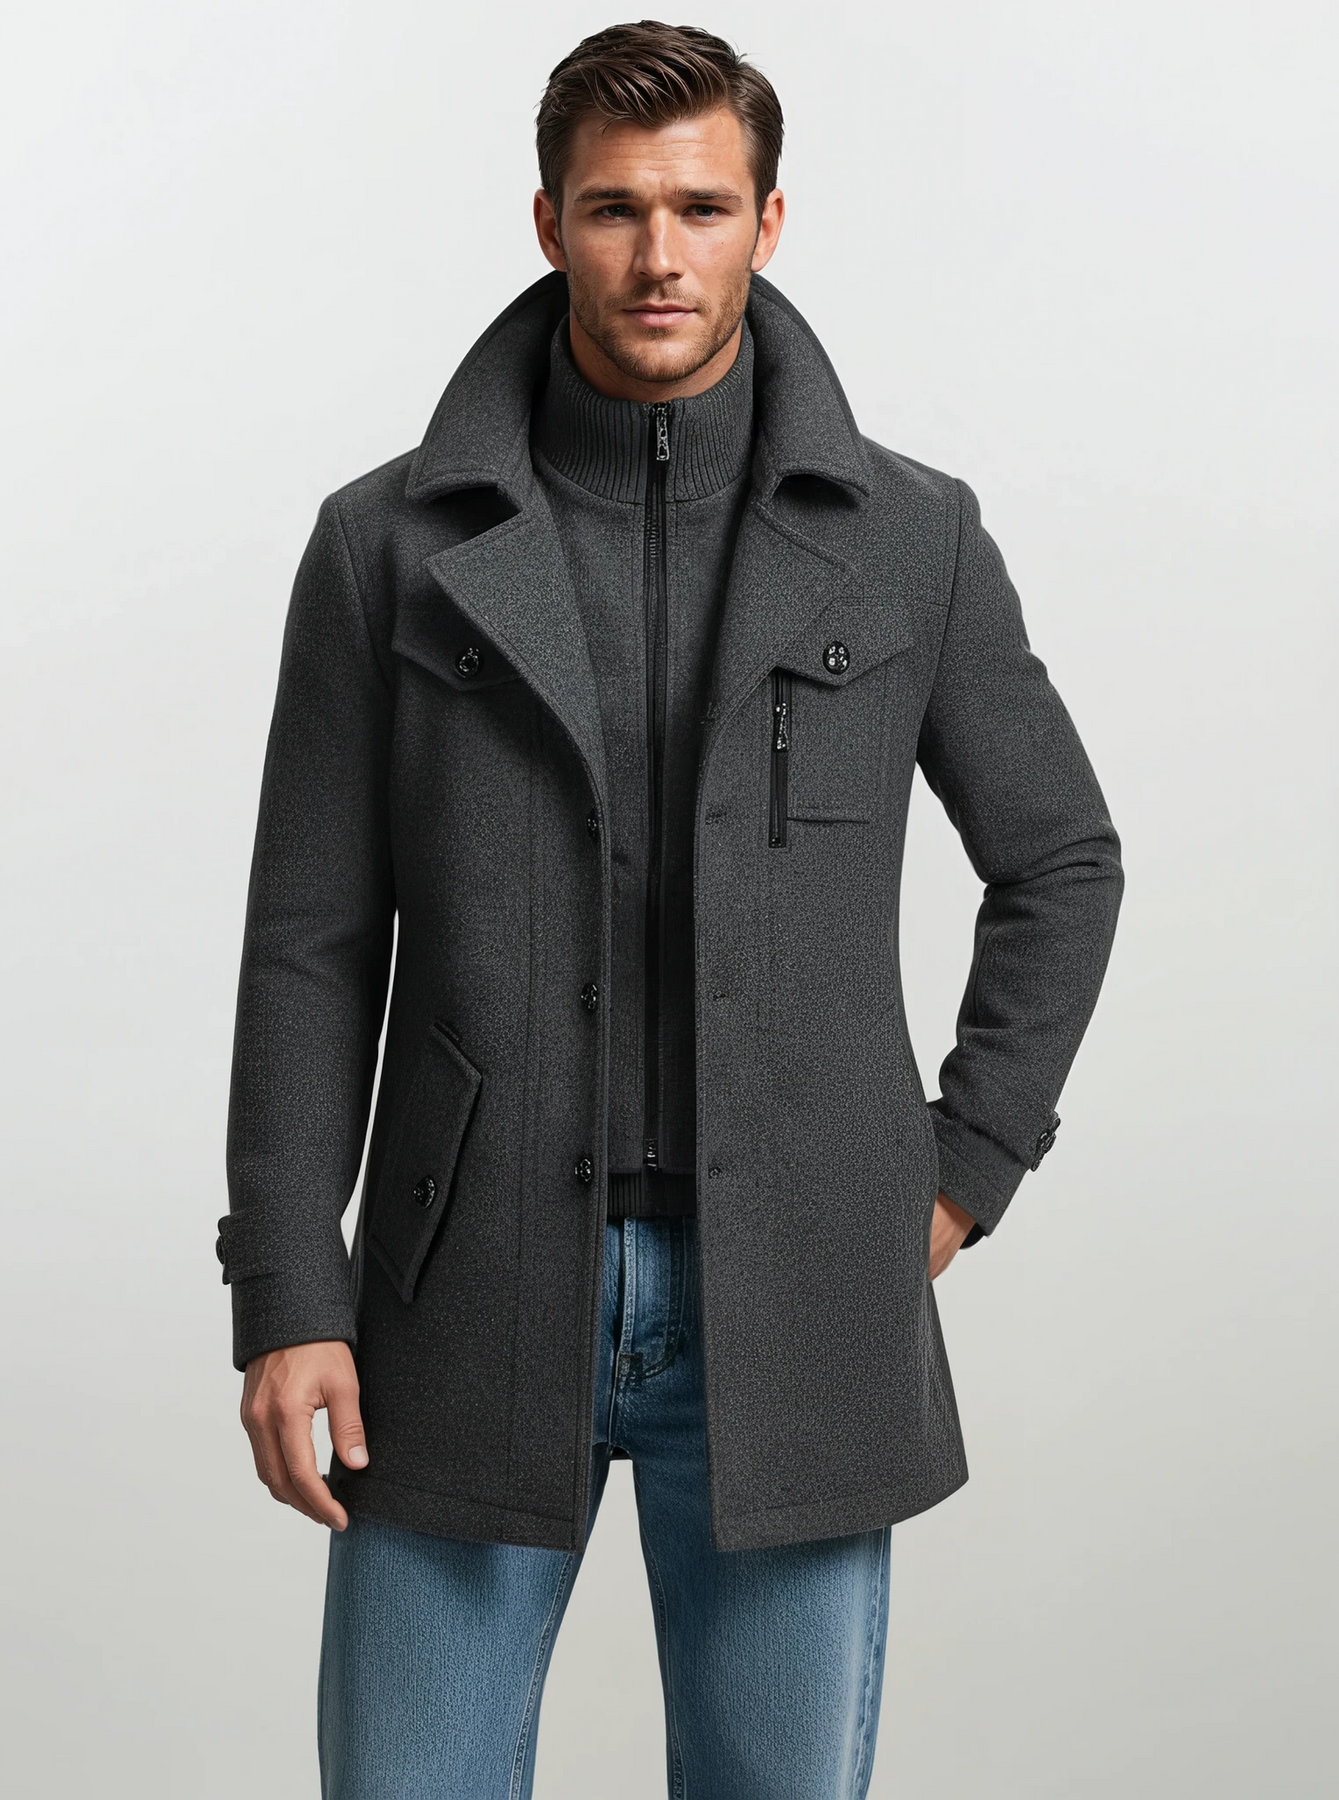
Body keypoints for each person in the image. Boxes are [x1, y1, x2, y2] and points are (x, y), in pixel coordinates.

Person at [218, 21, 1124, 1798]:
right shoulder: (384, 548)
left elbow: (1060, 859)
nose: (659, 254)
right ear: (546, 221)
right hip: (461, 1292)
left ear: (767, 223)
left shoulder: (910, 541)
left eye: (701, 209)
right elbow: (309, 946)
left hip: (800, 1292)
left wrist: (963, 1164)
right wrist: (286, 1288)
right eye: (615, 208)